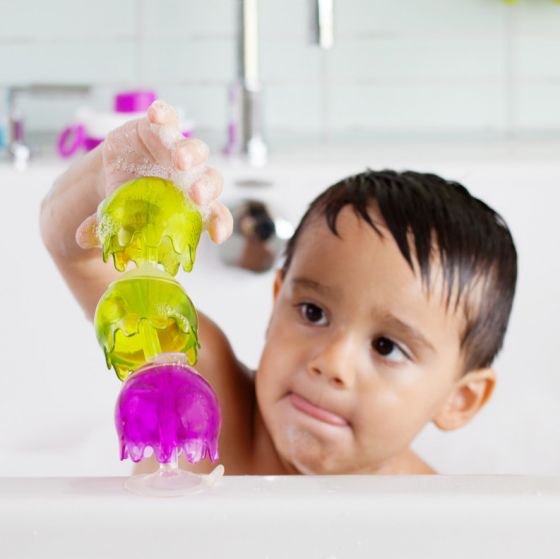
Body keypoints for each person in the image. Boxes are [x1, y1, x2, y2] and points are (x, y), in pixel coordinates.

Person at [40, 101, 517, 475]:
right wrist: (107, 175)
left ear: (459, 400)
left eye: (387, 347)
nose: (330, 363)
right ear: (276, 302)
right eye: (313, 312)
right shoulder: (195, 385)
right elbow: (73, 251)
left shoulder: (433, 516)